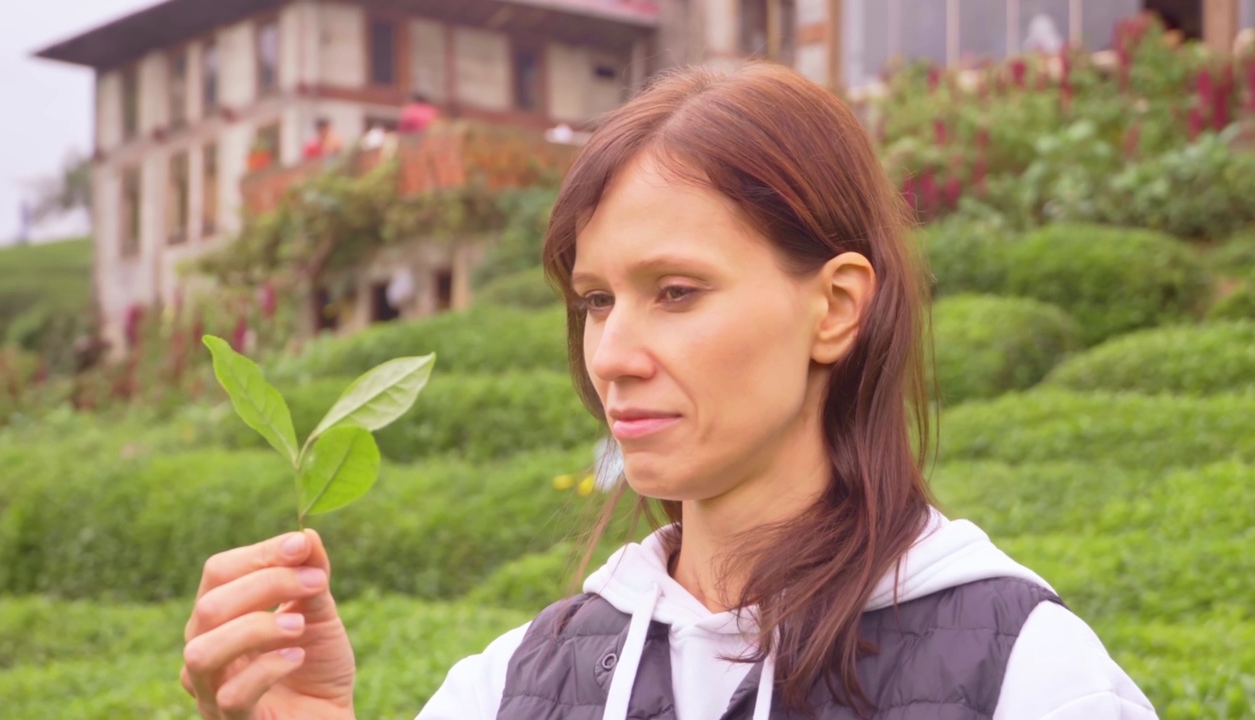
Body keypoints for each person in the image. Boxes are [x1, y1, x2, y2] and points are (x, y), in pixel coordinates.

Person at [180, 63, 1157, 719]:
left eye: (676, 293)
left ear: (834, 308)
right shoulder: (517, 684)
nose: (612, 354)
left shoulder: (1024, 674)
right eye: (597, 300)